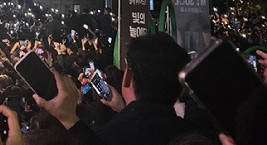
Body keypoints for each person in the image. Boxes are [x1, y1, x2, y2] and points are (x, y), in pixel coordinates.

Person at [34, 34, 219, 145]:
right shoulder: (198, 135)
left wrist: (69, 119)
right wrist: (124, 109)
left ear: (128, 76)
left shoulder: (106, 136)